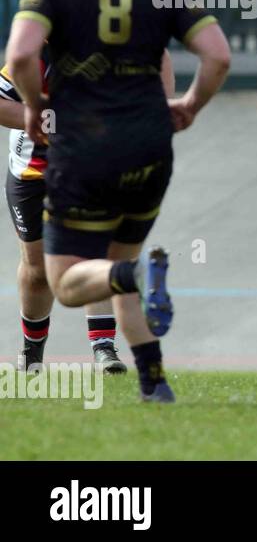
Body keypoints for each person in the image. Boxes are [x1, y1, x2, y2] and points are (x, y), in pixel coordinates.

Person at [4, 0, 231, 402]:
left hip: (81, 149)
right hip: (149, 147)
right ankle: (153, 383)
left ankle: (133, 278)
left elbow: (19, 57)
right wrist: (190, 105)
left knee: (69, 281)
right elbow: (217, 56)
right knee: (123, 256)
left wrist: (36, 107)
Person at [0, 49, 174, 374]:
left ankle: (104, 348)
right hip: (35, 173)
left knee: (97, 255)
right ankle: (32, 352)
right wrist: (55, 120)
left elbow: (160, 61)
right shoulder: (43, 52)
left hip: (92, 171)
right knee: (38, 271)